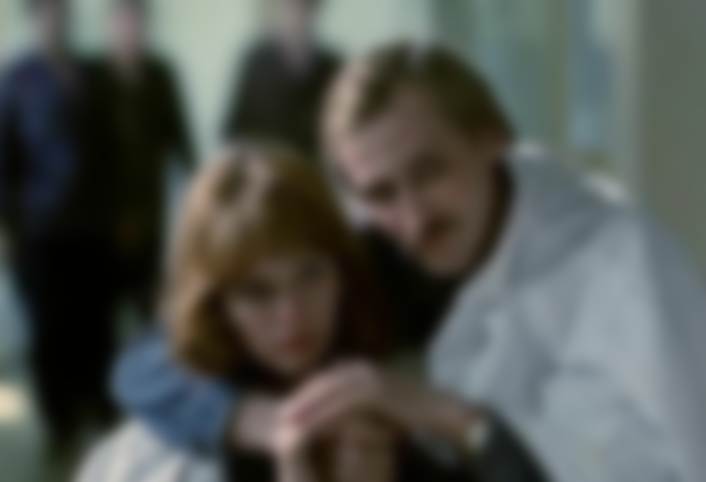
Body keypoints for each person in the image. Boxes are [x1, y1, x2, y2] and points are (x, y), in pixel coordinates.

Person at [112, 43, 706, 482]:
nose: (413, 217)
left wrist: (442, 419)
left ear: (493, 134)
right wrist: (254, 416)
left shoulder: (623, 269)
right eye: (380, 192)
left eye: (430, 171)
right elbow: (147, 361)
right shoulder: (385, 253)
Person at [78, 144, 472, 482]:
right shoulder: (166, 453)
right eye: (257, 292)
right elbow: (139, 365)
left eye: (310, 274)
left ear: (342, 272)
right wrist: (247, 417)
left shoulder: (379, 353)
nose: (292, 315)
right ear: (218, 304)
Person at [0, 0, 117, 447]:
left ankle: (100, 405)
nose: (55, 19)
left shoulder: (92, 72)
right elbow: (4, 158)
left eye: (61, 11)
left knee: (97, 323)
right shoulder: (17, 78)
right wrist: (6, 226)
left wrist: (120, 209)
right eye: (46, 11)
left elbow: (108, 145)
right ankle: (59, 419)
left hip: (93, 224)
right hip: (41, 228)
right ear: (34, 18)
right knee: (50, 329)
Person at [94, 0, 194, 320]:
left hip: (151, 214)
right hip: (101, 220)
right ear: (111, 26)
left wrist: (198, 197)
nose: (130, 31)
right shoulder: (94, 77)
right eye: (123, 23)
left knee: (153, 304)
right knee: (101, 312)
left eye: (136, 23)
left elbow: (181, 140)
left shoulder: (160, 75)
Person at [223, 0, 339, 160]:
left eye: (305, 8)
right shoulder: (256, 60)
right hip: (263, 163)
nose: (298, 15)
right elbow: (234, 126)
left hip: (310, 166)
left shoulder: (330, 65)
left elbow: (338, 127)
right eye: (292, 7)